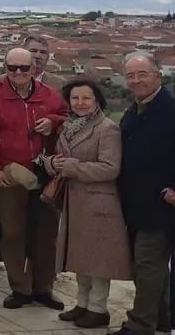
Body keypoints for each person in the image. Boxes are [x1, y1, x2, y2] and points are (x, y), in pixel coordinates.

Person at [111, 52, 175, 335]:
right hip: (135, 205)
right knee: (153, 267)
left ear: (158, 75)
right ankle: (162, 320)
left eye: (142, 74)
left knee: (147, 266)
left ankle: (141, 324)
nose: (136, 80)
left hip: (162, 206)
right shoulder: (134, 111)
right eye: (130, 75)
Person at [0, 48, 68, 310]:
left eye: (24, 68)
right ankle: (20, 287)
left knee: (47, 233)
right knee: (13, 233)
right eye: (12, 67)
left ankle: (43, 288)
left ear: (34, 69)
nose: (18, 73)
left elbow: (68, 118)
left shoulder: (49, 96)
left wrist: (52, 121)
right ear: (5, 68)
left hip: (47, 173)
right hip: (11, 173)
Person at [46, 80, 131, 330]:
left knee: (98, 261)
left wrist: (70, 167)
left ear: (97, 101)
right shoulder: (67, 127)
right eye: (75, 98)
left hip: (99, 204)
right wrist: (52, 163)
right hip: (74, 202)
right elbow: (59, 158)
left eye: (86, 98)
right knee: (80, 258)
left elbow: (110, 168)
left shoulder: (107, 128)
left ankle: (98, 309)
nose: (80, 103)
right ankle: (82, 304)